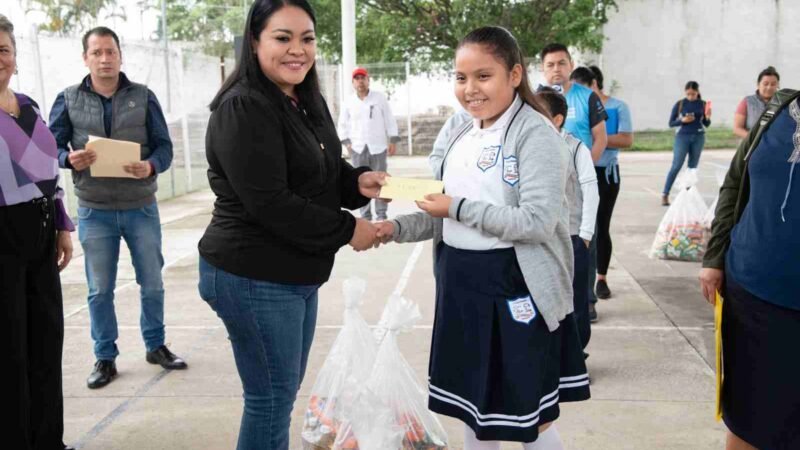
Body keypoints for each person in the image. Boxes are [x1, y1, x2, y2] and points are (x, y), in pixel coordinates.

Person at [376, 27, 590, 449]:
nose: (470, 89)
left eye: (483, 76)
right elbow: (437, 202)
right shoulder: (458, 128)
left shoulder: (537, 134)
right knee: (472, 409)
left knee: (533, 416)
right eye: (460, 77)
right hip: (461, 284)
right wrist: (391, 226)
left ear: (514, 75)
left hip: (515, 287)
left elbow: (536, 221)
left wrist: (454, 207)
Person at [196, 1, 386, 448]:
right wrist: (347, 229)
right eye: (282, 38)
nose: (297, 50)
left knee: (280, 394)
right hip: (252, 275)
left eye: (307, 39)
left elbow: (323, 167)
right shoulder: (243, 107)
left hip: (294, 274)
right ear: (255, 41)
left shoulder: (304, 96)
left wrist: (358, 182)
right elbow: (271, 202)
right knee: (270, 399)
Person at [49, 26, 185, 390]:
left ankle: (155, 346)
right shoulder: (68, 98)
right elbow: (49, 148)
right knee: (99, 289)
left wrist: (151, 165)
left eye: (110, 52)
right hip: (94, 209)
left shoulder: (143, 97)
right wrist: (68, 158)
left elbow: (164, 148)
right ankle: (105, 356)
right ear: (86, 58)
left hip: (140, 207)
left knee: (152, 282)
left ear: (120, 55)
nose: (105, 59)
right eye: (97, 53)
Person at [700, 88, 800, 450]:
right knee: (748, 418)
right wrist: (715, 259)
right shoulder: (780, 108)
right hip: (750, 294)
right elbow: (734, 183)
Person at [0, 14, 76, 450]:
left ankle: (49, 440)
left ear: (14, 56)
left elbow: (48, 173)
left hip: (41, 229)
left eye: (3, 49)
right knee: (10, 352)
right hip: (1, 238)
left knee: (46, 343)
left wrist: (63, 225)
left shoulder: (27, 104)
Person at [537, 86, 598, 354]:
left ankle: (576, 355)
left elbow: (591, 190)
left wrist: (585, 235)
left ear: (558, 119)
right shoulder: (532, 146)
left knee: (575, 300)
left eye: (539, 113)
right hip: (541, 235)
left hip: (572, 237)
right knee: (546, 298)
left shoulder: (575, 148)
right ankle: (551, 355)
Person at [572, 65, 634, 302]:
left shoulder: (617, 107)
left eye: (582, 88)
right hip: (577, 173)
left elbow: (627, 139)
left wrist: (598, 137)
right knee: (581, 228)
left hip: (604, 174)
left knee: (600, 227)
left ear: (594, 84)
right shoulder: (574, 106)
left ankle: (601, 278)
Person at [338, 66, 400, 221]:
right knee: (360, 180)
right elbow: (342, 124)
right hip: (358, 147)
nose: (360, 82)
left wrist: (392, 139)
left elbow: (389, 119)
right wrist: (347, 143)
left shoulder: (379, 98)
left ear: (368, 80)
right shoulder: (348, 102)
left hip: (378, 146)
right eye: (357, 79)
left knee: (381, 180)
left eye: (363, 78)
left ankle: (381, 215)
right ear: (353, 82)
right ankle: (365, 216)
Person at [539, 43, 607, 163]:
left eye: (561, 63)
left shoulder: (588, 96)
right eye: (550, 65)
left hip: (578, 176)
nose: (556, 69)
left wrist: (586, 170)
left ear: (571, 65)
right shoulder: (533, 100)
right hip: (546, 173)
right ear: (542, 68)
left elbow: (601, 138)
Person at [662, 81, 711, 206]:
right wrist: (682, 120)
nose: (690, 96)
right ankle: (665, 194)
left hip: (698, 136)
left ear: (697, 92)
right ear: (685, 92)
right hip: (682, 137)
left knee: (692, 167)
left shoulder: (703, 104)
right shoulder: (680, 104)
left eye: (693, 94)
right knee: (676, 165)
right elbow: (671, 123)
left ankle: (688, 194)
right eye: (688, 94)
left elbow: (706, 124)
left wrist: (708, 116)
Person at [733, 66, 780, 138]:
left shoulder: (783, 103)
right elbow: (737, 128)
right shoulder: (747, 102)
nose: (769, 87)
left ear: (778, 86)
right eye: (765, 83)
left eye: (773, 84)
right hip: (751, 146)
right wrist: (755, 139)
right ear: (758, 85)